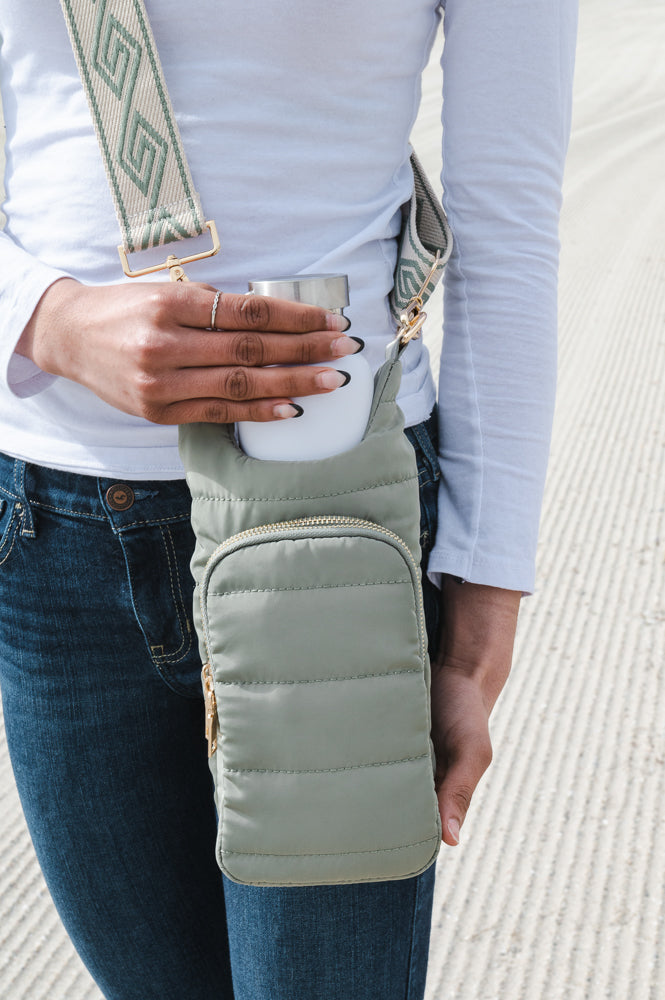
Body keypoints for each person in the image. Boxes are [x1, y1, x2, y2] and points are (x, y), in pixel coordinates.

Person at [0, 1, 578, 998]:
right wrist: (48, 321)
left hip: (335, 514)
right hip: (53, 533)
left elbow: (507, 222)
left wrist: (482, 616)